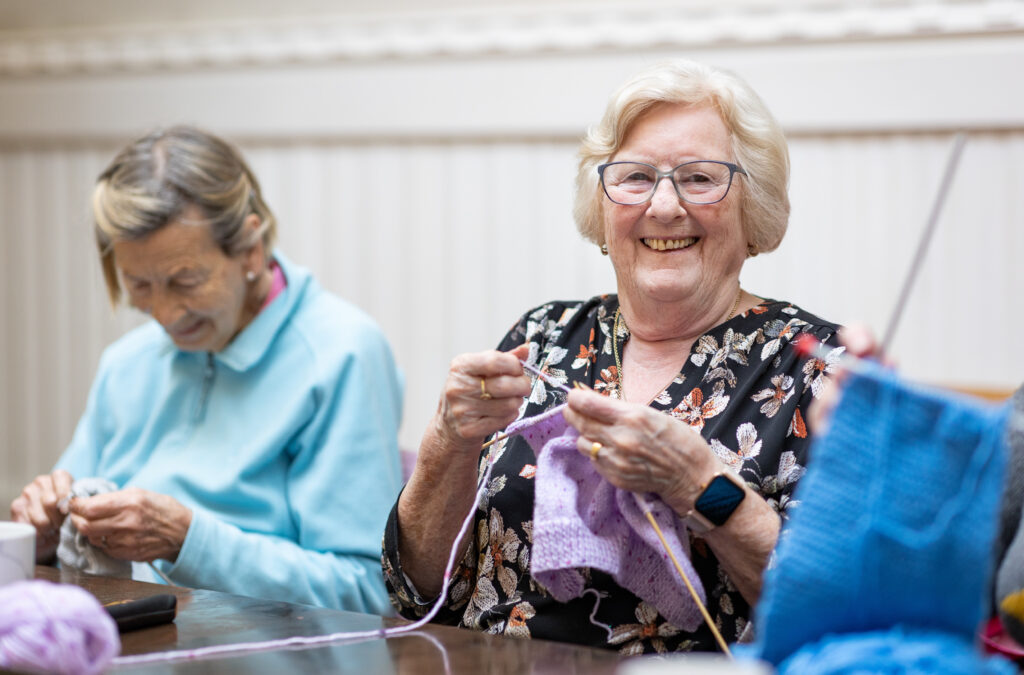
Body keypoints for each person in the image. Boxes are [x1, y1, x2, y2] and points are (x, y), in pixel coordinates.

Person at [382, 59, 843, 654]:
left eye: (700, 178)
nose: (664, 206)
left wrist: (701, 486)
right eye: (635, 178)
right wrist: (448, 442)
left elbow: (831, 612)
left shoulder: (812, 367)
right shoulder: (544, 334)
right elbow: (414, 590)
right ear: (602, 206)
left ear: (752, 208)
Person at [9, 126, 403, 614]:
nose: (168, 315)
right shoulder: (128, 364)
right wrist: (42, 532)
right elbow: (63, 526)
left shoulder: (341, 355)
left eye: (186, 281)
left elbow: (365, 593)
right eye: (140, 286)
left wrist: (186, 540)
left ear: (251, 250)